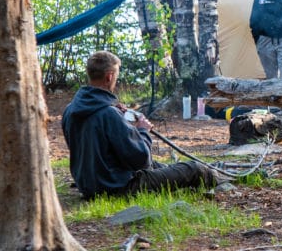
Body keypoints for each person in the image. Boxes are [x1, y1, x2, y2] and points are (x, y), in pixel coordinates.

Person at [61, 51, 217, 198]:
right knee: (195, 169)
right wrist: (142, 131)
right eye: (116, 76)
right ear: (109, 76)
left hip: (89, 185)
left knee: (160, 166)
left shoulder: (70, 110)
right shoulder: (108, 113)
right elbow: (141, 160)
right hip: (117, 187)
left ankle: (212, 171)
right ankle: (218, 177)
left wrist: (123, 121)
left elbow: (98, 148)